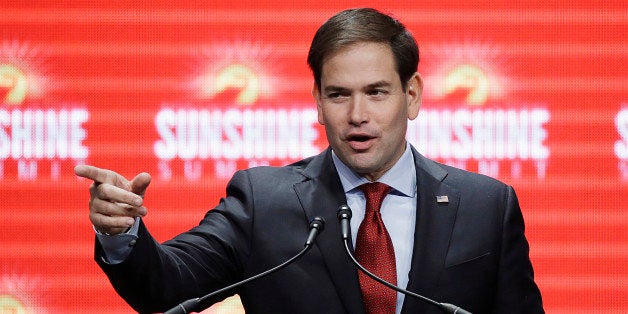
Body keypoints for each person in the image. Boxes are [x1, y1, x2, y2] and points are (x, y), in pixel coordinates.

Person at [75, 8, 544, 314]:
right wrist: (121, 236)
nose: (358, 116)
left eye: (377, 93)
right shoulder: (263, 201)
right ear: (318, 101)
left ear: (412, 95)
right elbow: (167, 287)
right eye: (339, 95)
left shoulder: (486, 205)